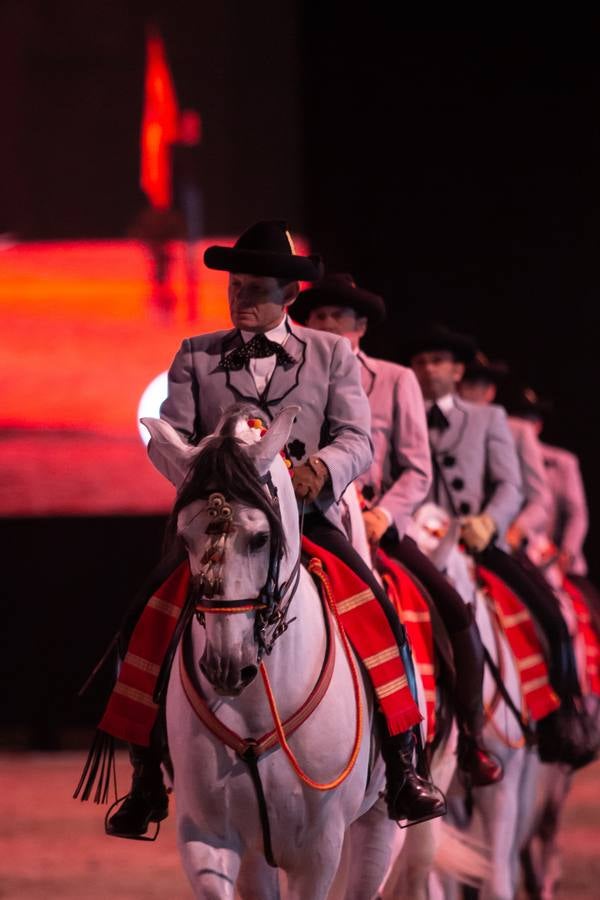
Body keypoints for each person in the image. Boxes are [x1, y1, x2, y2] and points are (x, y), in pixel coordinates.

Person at [107, 222, 445, 838]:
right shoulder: (195, 354)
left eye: (256, 288)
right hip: (222, 525)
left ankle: (402, 764)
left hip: (308, 520)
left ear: (289, 295)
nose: (241, 298)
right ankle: (145, 774)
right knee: (147, 615)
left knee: (376, 608)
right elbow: (170, 435)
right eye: (236, 286)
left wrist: (320, 469)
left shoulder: (331, 353)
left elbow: (357, 438)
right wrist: (200, 472)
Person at [293, 274, 502, 786]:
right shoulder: (289, 376)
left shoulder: (392, 379)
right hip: (296, 521)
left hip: (373, 524)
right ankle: (160, 751)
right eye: (316, 317)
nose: (324, 327)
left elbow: (417, 467)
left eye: (337, 318)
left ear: (361, 326)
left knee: (454, 609)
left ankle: (466, 738)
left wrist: (384, 514)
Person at [406, 327, 593, 768]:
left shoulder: (490, 421)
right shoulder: (402, 408)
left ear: (456, 371)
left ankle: (562, 715)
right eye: (422, 362)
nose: (430, 370)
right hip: (416, 539)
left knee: (548, 610)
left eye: (439, 361)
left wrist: (491, 521)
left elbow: (513, 485)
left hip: (476, 541)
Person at [171, 109, 205, 319]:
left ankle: (191, 254)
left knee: (192, 239)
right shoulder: (177, 149)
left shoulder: (201, 150)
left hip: (193, 197)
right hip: (183, 197)